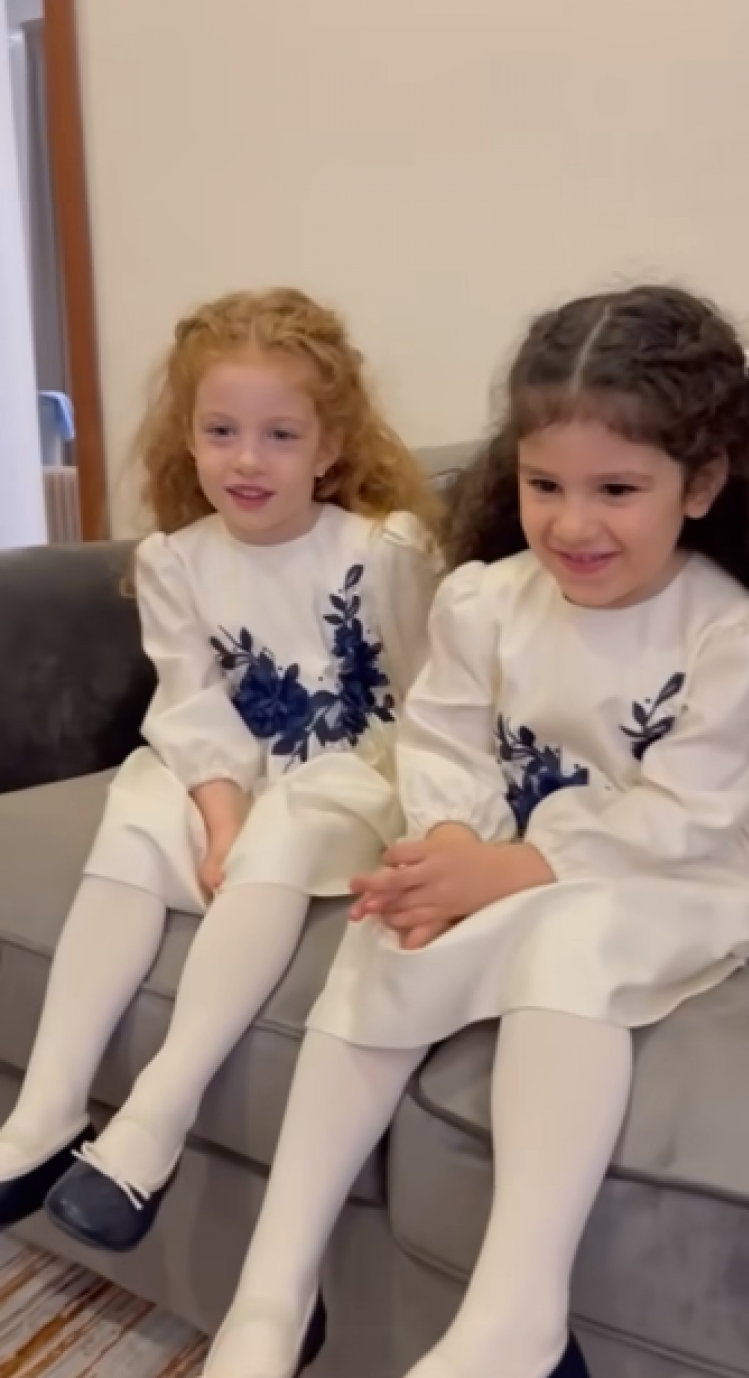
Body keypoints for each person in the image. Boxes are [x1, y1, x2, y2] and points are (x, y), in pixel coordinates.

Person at [201, 284, 749, 1378]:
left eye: (617, 489)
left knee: (574, 939)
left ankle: (519, 1317)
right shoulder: (483, 602)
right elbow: (443, 747)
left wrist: (510, 868)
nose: (571, 524)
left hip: (683, 871)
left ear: (700, 484)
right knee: (387, 930)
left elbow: (690, 811)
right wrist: (449, 855)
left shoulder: (743, 638)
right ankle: (271, 1294)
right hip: (513, 860)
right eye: (543, 483)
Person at [0, 286, 441, 1254]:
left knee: (292, 817)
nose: (247, 459)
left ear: (328, 446)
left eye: (281, 435)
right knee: (138, 802)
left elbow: (432, 695)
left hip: (355, 772)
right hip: (237, 770)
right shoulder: (176, 560)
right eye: (222, 431)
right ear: (189, 439)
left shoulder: (384, 551)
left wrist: (435, 823)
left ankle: (154, 1120)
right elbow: (192, 706)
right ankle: (45, 1111)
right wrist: (219, 815)